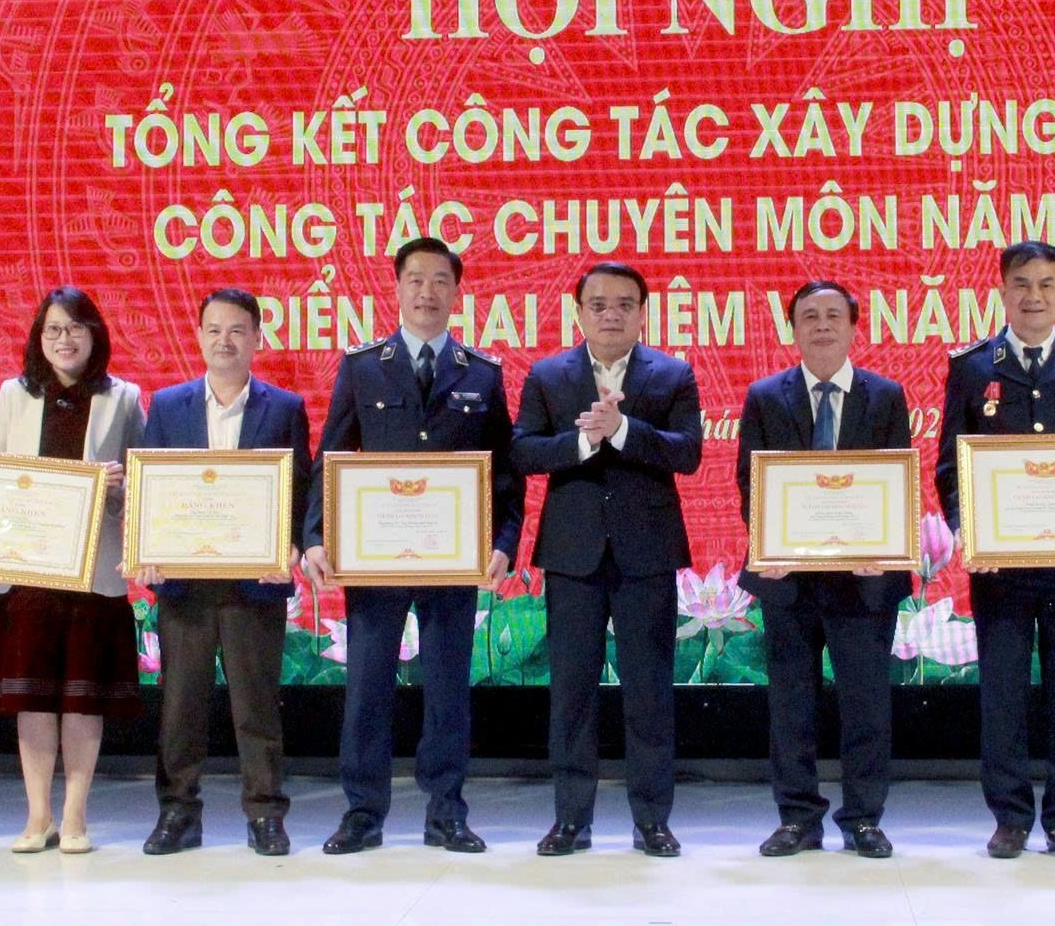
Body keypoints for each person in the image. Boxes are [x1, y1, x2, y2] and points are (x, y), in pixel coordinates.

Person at [300, 238, 524, 855]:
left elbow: (506, 474)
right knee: (367, 689)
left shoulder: (482, 373)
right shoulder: (362, 366)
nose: (427, 292)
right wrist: (315, 536)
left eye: (440, 281)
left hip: (453, 561)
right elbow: (331, 457)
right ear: (396, 288)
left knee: (449, 690)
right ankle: (362, 812)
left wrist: (504, 543)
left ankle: (447, 811)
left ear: (457, 291)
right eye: (416, 280)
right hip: (375, 560)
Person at [935, 240, 1055, 860]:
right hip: (1000, 566)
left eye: (1045, 285)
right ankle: (1010, 817)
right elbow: (950, 466)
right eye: (1021, 284)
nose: (1033, 297)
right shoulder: (972, 368)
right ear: (1002, 291)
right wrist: (965, 529)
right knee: (1003, 694)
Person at [513, 261, 703, 858]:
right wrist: (583, 441)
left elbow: (688, 453)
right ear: (579, 313)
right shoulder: (548, 375)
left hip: (647, 554)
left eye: (624, 304)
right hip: (573, 556)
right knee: (572, 693)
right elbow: (522, 452)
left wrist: (623, 431)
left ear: (642, 313)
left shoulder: (672, 374)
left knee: (650, 693)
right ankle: (571, 819)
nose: (611, 314)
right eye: (598, 304)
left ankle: (653, 821)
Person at [0, 286, 144, 855]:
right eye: (54, 329)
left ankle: (76, 816)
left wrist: (118, 487)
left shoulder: (123, 397)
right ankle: (38, 816)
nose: (65, 339)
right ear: (40, 337)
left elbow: (144, 487)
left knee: (83, 699)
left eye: (76, 328)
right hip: (27, 575)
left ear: (94, 335)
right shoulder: (14, 395)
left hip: (92, 576)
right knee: (33, 698)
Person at [133, 288, 311, 857]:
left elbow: (300, 491)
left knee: (256, 708)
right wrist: (147, 547)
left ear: (257, 338)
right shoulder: (168, 406)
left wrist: (289, 547)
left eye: (237, 330)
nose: (224, 340)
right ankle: (177, 813)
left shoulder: (284, 408)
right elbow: (149, 490)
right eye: (213, 329)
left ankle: (265, 814)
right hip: (183, 586)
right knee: (180, 707)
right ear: (199, 336)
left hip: (255, 585)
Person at [737, 280, 910, 859]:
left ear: (854, 328)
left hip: (864, 582)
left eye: (834, 315)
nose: (822, 326)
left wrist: (884, 546)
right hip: (788, 580)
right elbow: (750, 482)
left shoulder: (885, 396)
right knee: (791, 705)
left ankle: (863, 819)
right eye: (809, 316)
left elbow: (897, 481)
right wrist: (769, 543)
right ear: (793, 329)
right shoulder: (765, 396)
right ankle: (797, 818)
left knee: (867, 705)